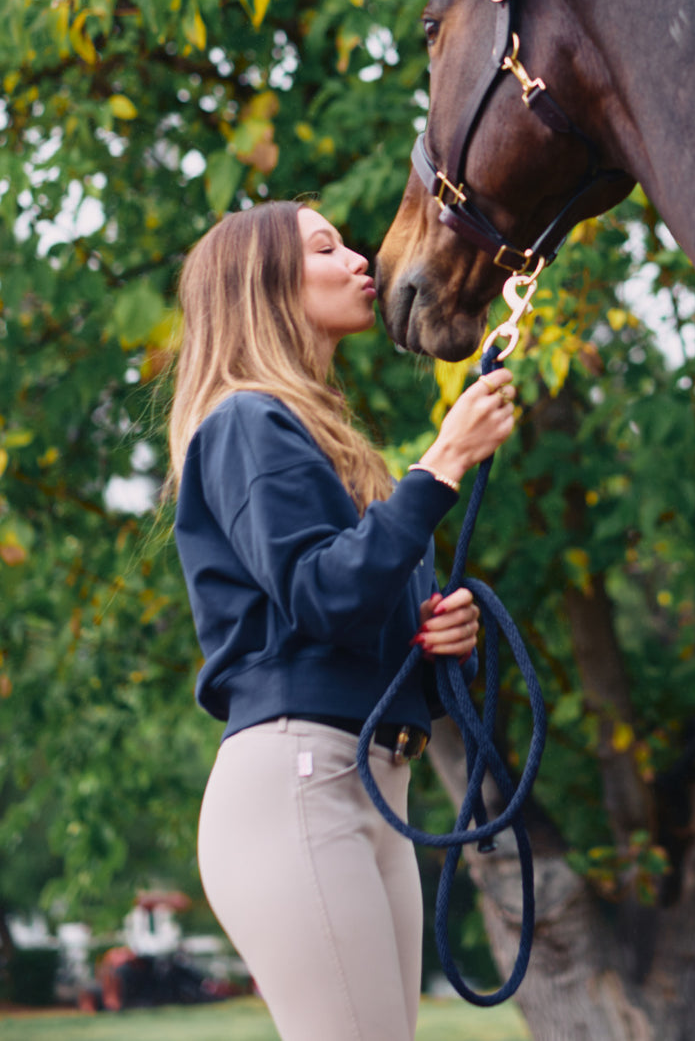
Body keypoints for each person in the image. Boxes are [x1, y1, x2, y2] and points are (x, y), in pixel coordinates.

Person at [168, 200, 516, 1041]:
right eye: (326, 247)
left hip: (360, 783)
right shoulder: (246, 420)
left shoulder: (317, 440)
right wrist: (442, 462)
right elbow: (323, 594)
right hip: (301, 782)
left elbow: (350, 615)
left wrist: (438, 640)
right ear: (268, 285)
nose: (363, 259)